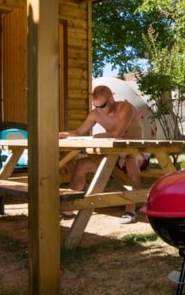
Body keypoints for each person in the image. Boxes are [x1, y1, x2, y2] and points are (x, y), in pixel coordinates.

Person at [60, 84, 144, 224]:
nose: (99, 110)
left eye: (102, 106)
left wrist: (96, 136)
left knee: (131, 160)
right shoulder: (96, 113)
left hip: (138, 152)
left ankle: (130, 210)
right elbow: (79, 131)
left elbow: (117, 133)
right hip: (114, 155)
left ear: (111, 99)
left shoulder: (125, 108)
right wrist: (63, 134)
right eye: (96, 106)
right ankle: (69, 208)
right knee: (81, 164)